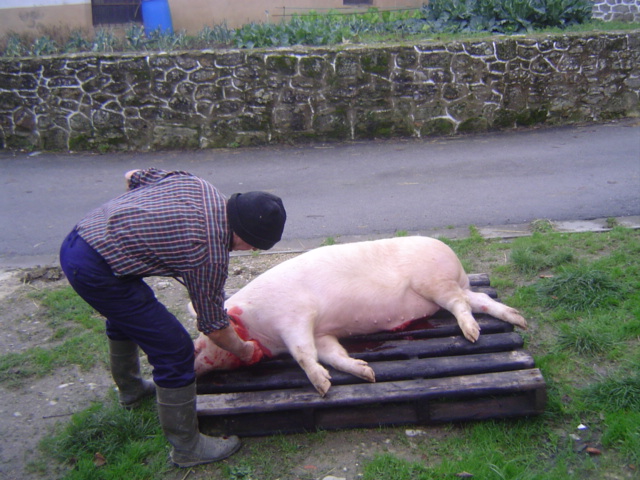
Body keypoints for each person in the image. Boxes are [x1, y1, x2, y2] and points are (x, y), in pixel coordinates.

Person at [59, 168, 286, 468]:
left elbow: (133, 176)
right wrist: (245, 350)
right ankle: (187, 447)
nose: (252, 251)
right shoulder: (208, 252)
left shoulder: (197, 185)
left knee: (125, 317)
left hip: (84, 235)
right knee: (175, 349)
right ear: (243, 234)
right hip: (94, 269)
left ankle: (131, 392)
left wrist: (138, 225)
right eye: (254, 246)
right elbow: (213, 327)